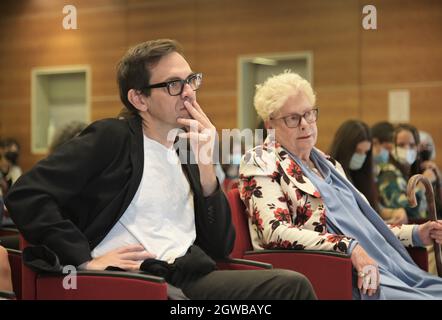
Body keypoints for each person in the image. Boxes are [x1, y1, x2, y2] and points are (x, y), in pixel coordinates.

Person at [5, 39, 315, 300]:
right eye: (173, 85)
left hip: (186, 273)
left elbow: (220, 245)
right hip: (133, 280)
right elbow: (27, 194)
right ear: (139, 98)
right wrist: (84, 260)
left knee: (290, 287)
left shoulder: (185, 145)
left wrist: (206, 163)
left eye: (191, 80)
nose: (189, 92)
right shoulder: (112, 138)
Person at [239, 71, 442, 299]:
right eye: (293, 119)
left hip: (387, 265)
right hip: (341, 273)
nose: (305, 125)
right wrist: (348, 246)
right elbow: (274, 232)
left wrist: (415, 233)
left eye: (308, 114)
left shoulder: (328, 164)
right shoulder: (260, 160)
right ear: (270, 125)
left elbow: (363, 227)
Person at [329, 120, 407, 224]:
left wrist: (395, 213)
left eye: (365, 152)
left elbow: (373, 208)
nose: (362, 157)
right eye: (357, 151)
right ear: (344, 149)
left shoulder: (361, 174)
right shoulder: (330, 175)